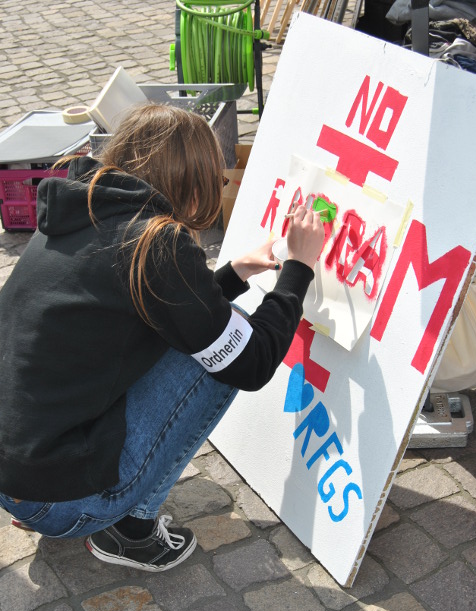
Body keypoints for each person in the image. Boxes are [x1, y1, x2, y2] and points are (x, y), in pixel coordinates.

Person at [0, 103, 325, 572]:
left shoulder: (80, 208)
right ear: (192, 183)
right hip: (57, 499)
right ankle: (131, 533)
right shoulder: (155, 244)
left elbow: (162, 308)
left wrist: (232, 272)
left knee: (206, 331)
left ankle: (53, 502)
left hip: (20, 470)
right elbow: (251, 361)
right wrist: (299, 268)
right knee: (221, 345)